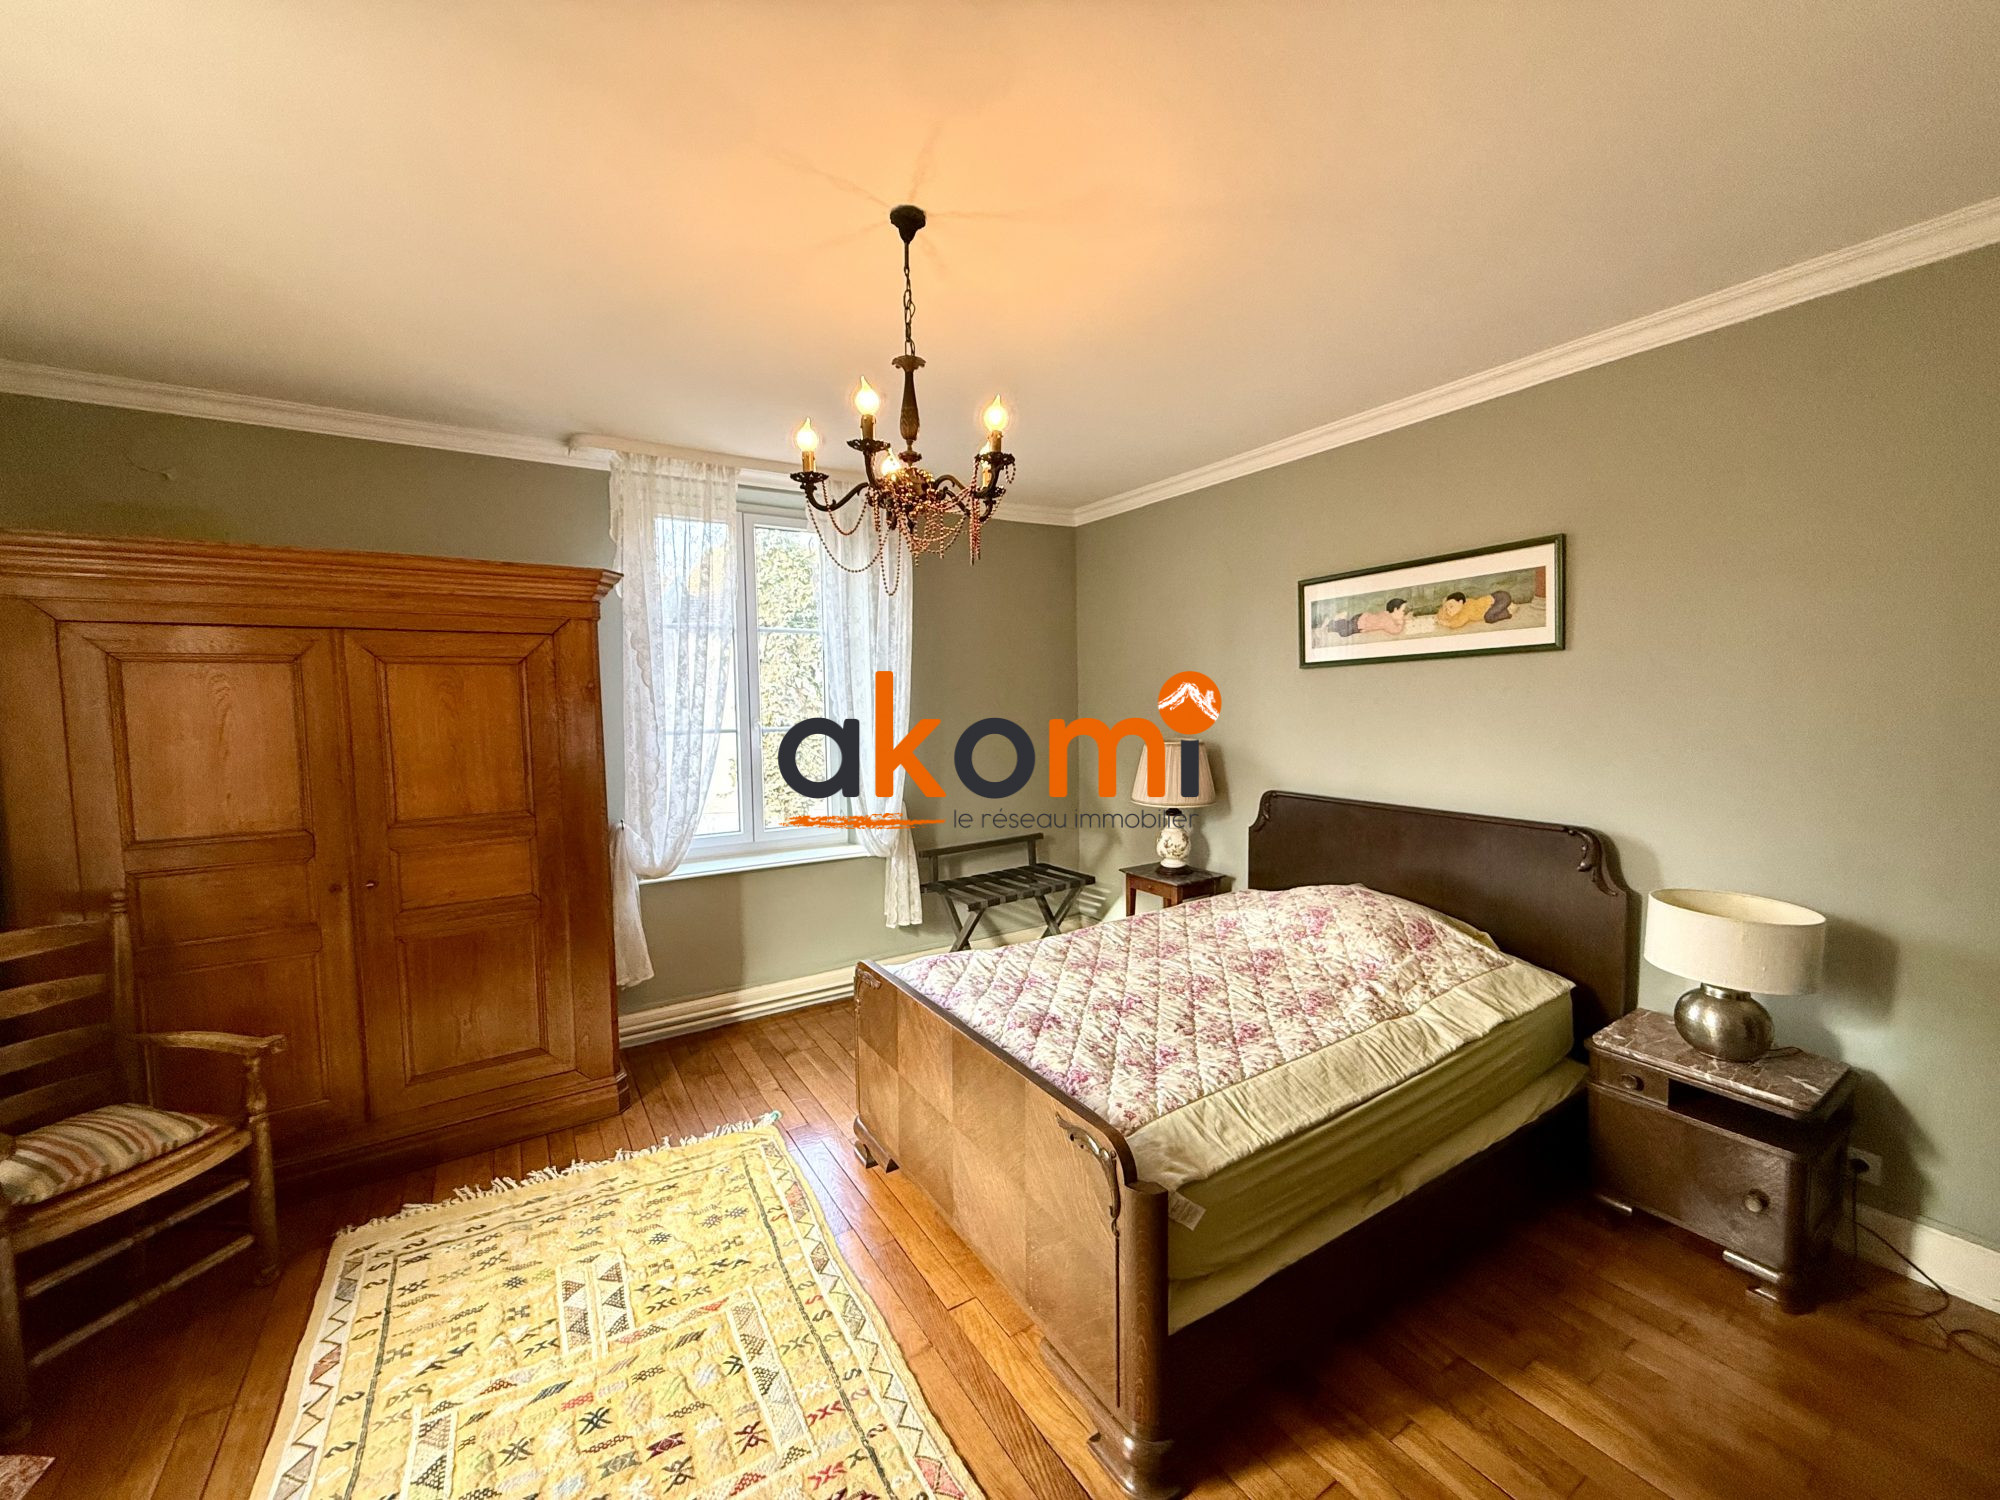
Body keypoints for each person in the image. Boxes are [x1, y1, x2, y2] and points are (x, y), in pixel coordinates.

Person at [1329, 597, 1409, 638]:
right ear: (1395, 610)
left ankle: (1336, 622)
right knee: (1345, 631)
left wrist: (1398, 620)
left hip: (1362, 618)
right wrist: (1401, 623)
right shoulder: (1387, 621)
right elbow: (1395, 631)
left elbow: (1393, 619)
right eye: (1403, 611)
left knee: (1347, 627)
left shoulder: (1385, 614)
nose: (1404, 613)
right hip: (1361, 623)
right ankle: (1334, 622)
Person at [1435, 589, 1515, 628]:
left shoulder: (1466, 611)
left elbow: (1458, 623)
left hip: (1501, 598)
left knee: (1488, 618)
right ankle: (1505, 608)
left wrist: (1446, 624)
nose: (1448, 610)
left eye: (1451, 606)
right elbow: (1448, 614)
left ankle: (1509, 610)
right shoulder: (1464, 604)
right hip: (1497, 596)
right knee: (1489, 614)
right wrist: (1442, 613)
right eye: (1446, 608)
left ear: (1460, 602)